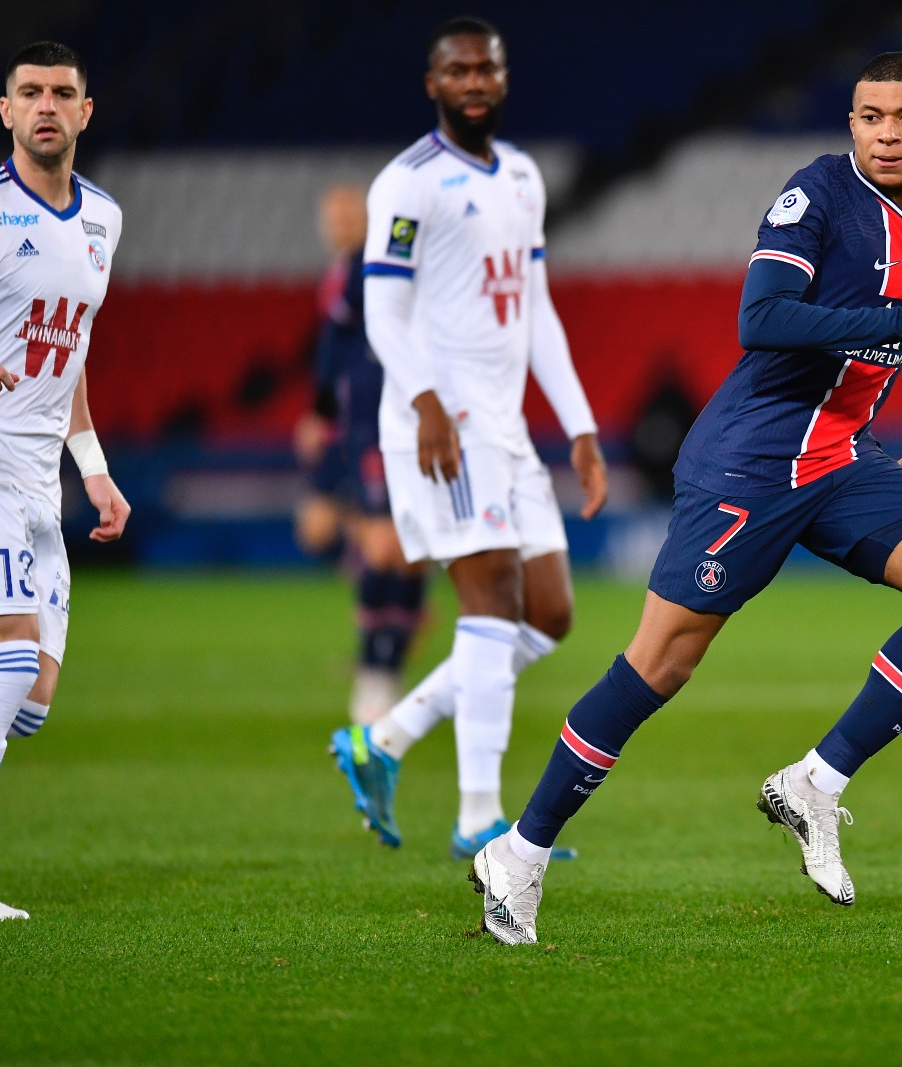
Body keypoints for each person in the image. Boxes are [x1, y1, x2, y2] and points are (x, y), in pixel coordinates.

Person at [469, 51, 902, 946]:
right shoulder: (817, 196)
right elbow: (761, 319)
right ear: (851, 124)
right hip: (749, 461)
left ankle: (816, 783)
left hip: (842, 458)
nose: (885, 133)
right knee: (660, 665)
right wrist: (894, 321)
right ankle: (517, 855)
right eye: (870, 116)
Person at [331, 17, 607, 863]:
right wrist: (424, 405)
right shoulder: (407, 184)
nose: (474, 81)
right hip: (442, 423)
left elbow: (538, 309)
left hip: (507, 426)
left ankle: (386, 737)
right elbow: (382, 308)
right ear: (433, 85)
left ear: (503, 77)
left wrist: (582, 424)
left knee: (549, 613)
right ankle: (480, 818)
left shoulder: (522, 176)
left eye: (486, 68)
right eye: (458, 71)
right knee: (490, 604)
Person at [0, 41, 130, 921]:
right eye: (28, 92)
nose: (44, 105)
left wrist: (95, 471)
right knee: (1, 655)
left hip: (40, 478)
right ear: (5, 113)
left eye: (60, 93)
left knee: (26, 697)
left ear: (84, 111)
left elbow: (68, 354)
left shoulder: (104, 220)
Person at [295, 184, 429, 726]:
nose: (342, 223)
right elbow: (335, 348)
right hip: (357, 426)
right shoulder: (344, 273)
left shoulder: (371, 270)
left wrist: (323, 410)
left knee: (389, 545)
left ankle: (379, 676)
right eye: (334, 215)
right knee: (343, 534)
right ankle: (394, 645)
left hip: (383, 421)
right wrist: (324, 413)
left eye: (350, 213)